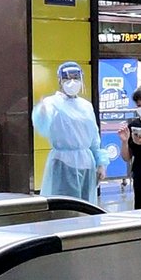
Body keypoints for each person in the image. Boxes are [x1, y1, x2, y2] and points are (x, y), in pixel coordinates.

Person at [32, 60, 101, 204]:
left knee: (86, 207)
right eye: (67, 78)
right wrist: (42, 112)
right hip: (63, 163)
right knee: (65, 206)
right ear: (60, 80)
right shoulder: (52, 103)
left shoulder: (86, 106)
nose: (72, 82)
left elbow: (94, 138)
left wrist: (100, 163)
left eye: (76, 78)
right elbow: (42, 123)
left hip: (87, 163)